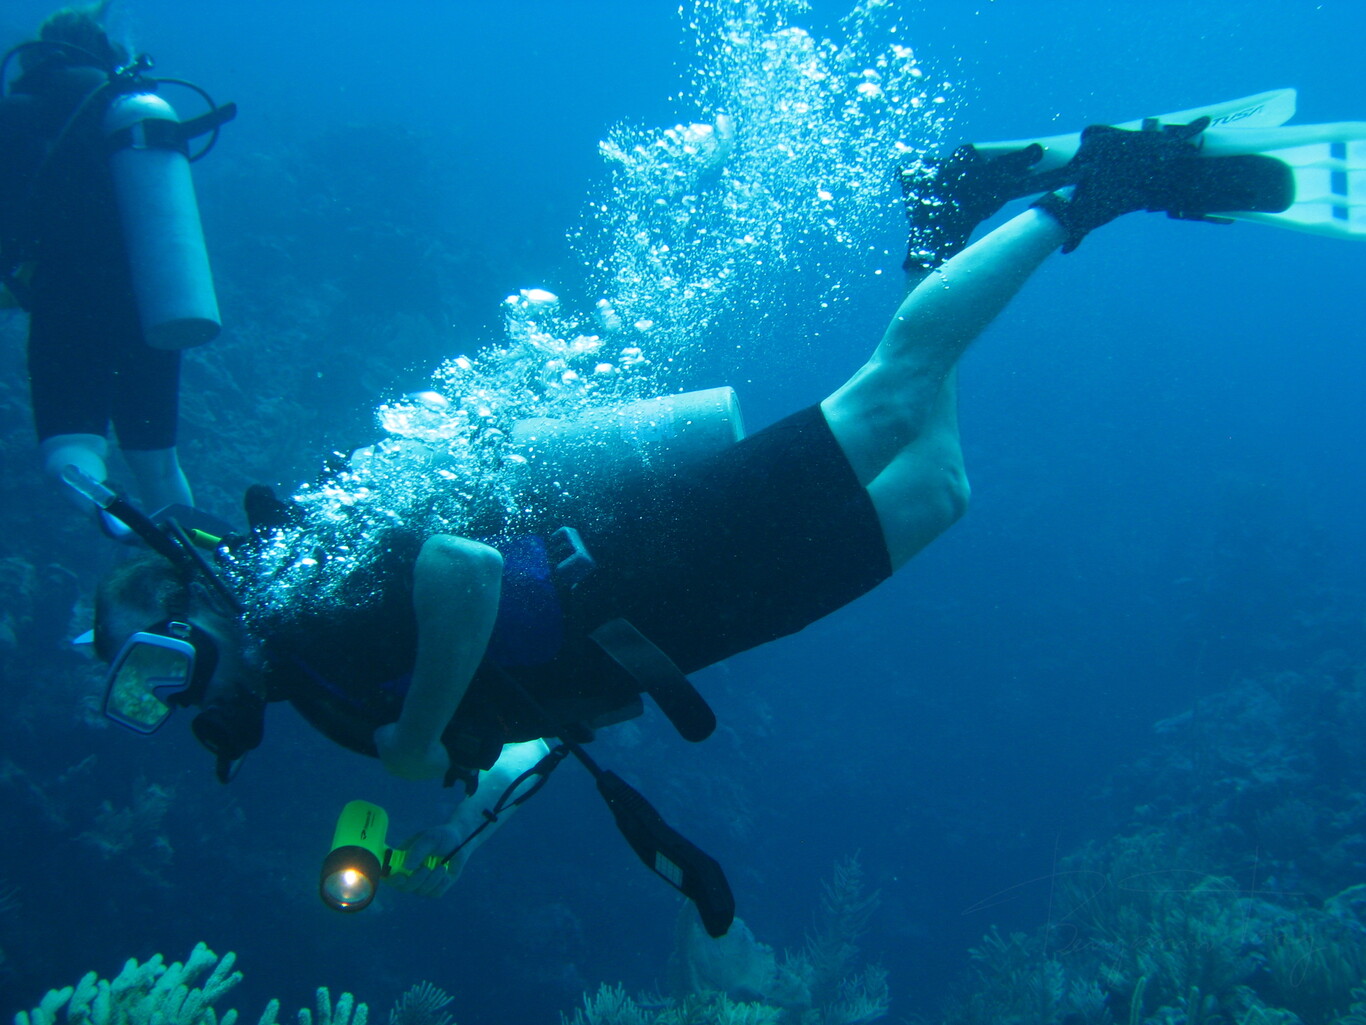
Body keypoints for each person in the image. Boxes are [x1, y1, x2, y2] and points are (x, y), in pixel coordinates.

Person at [85, 108, 1313, 919]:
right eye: (147, 695)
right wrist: (457, 820)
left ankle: (1094, 188)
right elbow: (497, 718)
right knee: (938, 489)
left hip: (634, 559)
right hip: (661, 630)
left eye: (155, 654)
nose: (172, 693)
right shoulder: (312, 687)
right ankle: (955, 206)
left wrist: (411, 730)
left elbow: (460, 569)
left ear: (188, 603)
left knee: (886, 402)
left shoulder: (297, 607)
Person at [0, 2, 226, 519]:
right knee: (157, 459)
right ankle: (188, 554)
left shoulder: (15, 115)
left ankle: (118, 522)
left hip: (66, 298)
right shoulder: (128, 106)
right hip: (153, 293)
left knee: (70, 446)